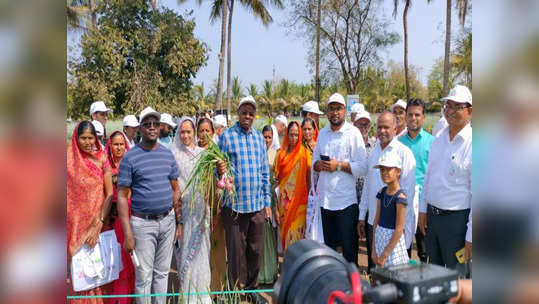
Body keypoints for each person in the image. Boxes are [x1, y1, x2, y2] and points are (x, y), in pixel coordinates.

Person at [117, 107, 181, 304]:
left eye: (155, 123)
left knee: (162, 274)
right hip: (142, 224)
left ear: (160, 126)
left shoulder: (167, 154)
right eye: (147, 124)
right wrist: (128, 233)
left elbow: (175, 187)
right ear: (140, 129)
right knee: (144, 277)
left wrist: (177, 221)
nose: (152, 128)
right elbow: (121, 196)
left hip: (167, 221)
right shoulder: (130, 157)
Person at [216, 96, 271, 304]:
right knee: (236, 254)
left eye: (251, 113)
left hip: (256, 206)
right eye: (244, 112)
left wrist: (267, 202)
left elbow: (265, 173)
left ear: (254, 115)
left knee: (255, 252)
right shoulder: (227, 137)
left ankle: (251, 290)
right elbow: (217, 169)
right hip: (235, 207)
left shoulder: (258, 138)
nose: (247, 116)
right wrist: (218, 170)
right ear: (238, 113)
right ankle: (233, 292)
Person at [418, 85, 472, 277]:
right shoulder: (439, 139)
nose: (450, 111)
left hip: (457, 222)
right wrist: (423, 209)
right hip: (434, 219)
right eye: (448, 105)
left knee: (458, 279)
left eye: (457, 106)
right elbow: (429, 177)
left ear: (470, 111)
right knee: (435, 274)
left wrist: (471, 235)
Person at [312, 93, 367, 265]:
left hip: (345, 203)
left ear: (345, 111)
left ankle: (352, 288)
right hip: (325, 202)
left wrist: (339, 165)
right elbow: (314, 163)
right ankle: (333, 286)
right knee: (328, 250)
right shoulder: (322, 134)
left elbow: (363, 167)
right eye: (331, 109)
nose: (335, 112)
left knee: (349, 250)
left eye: (338, 109)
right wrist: (319, 165)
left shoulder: (353, 133)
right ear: (327, 112)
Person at [358, 112, 415, 273]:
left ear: (395, 129)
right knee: (375, 270)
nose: (382, 131)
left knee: (396, 277)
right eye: (379, 127)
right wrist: (362, 216)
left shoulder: (404, 153)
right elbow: (368, 185)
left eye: (386, 127)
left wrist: (404, 230)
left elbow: (408, 196)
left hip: (394, 227)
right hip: (374, 224)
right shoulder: (374, 152)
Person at [67, 120, 113, 303]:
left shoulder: (102, 158)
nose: (87, 142)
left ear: (96, 138)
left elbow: (109, 193)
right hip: (74, 227)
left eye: (90, 137)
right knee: (78, 276)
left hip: (97, 224)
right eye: (83, 138)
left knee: (98, 272)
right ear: (76, 139)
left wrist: (98, 224)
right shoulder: (67, 158)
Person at [170, 117, 211, 304]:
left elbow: (209, 183)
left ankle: (202, 295)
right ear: (178, 133)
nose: (186, 135)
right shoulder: (173, 155)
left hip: (201, 212)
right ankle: (188, 297)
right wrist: (178, 218)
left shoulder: (203, 154)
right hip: (183, 212)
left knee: (202, 254)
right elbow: (174, 187)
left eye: (189, 132)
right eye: (182, 132)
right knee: (185, 253)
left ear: (194, 133)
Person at [399, 98, 434, 262]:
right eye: (410, 114)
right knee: (402, 250)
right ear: (405, 117)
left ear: (423, 118)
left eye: (417, 115)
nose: (413, 118)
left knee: (424, 252)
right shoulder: (398, 143)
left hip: (423, 207)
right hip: (403, 205)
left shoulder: (432, 143)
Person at [104, 131, 135, 304]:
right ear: (109, 145)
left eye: (121, 144)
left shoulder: (131, 163)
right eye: (115, 144)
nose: (119, 147)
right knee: (117, 264)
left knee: (130, 262)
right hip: (113, 223)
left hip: (131, 219)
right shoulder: (106, 166)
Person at [275, 121, 311, 251]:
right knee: (286, 237)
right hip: (284, 205)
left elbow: (308, 181)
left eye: (296, 135)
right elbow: (276, 182)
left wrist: (310, 204)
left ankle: (297, 269)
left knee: (297, 237)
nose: (294, 138)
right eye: (291, 134)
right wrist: (275, 208)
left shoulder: (305, 154)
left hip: (300, 205)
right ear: (286, 134)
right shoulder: (280, 155)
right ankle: (289, 268)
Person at [372, 151, 409, 267]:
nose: (384, 173)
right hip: (380, 239)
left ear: (398, 172)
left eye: (389, 169)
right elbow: (376, 221)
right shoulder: (381, 192)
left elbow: (399, 229)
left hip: (393, 246)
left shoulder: (400, 197)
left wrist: (385, 254)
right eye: (382, 169)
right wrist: (373, 248)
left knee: (394, 278)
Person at [258, 125, 279, 284]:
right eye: (264, 137)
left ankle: (271, 272)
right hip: (258, 198)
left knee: (270, 235)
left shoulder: (276, 155)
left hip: (271, 199)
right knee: (258, 235)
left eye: (269, 137)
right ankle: (259, 274)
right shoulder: (257, 153)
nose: (266, 140)